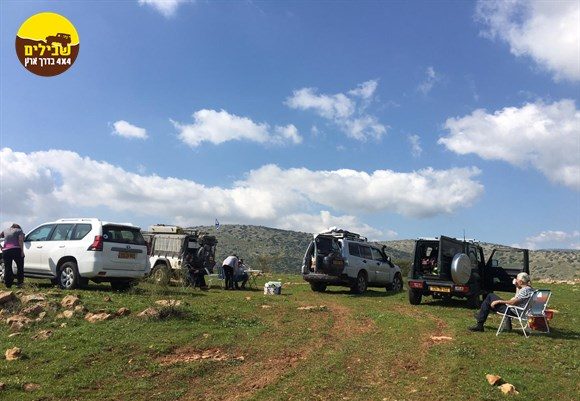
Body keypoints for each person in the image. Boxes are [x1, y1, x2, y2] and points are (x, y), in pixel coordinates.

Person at [468, 272, 534, 332]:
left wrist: (499, 301)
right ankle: (480, 317)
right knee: (489, 299)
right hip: (518, 310)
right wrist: (517, 286)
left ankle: (480, 320)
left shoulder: (524, 290)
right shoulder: (529, 289)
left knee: (489, 297)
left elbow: (513, 302)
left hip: (514, 311)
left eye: (517, 279)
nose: (515, 280)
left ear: (521, 282)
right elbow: (516, 297)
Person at [0, 224, 25, 289]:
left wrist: (1, 247)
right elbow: (20, 240)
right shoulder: (19, 230)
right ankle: (20, 283)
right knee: (20, 267)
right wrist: (22, 251)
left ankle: (8, 284)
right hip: (16, 250)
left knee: (7, 267)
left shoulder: (5, 230)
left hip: (6, 251)